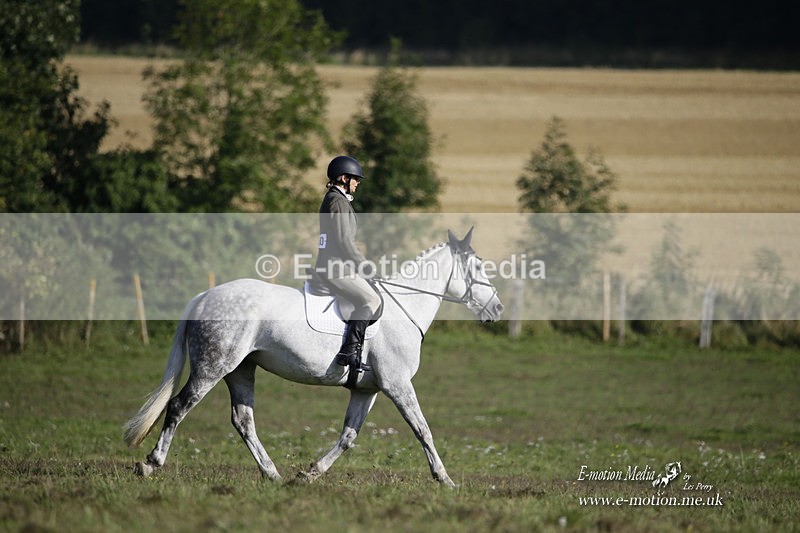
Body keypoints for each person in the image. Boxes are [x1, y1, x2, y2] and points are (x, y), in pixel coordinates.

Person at [315, 155, 382, 368]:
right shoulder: (337, 201)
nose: (358, 182)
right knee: (372, 300)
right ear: (344, 178)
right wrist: (364, 266)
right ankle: (349, 352)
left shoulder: (337, 199)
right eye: (355, 178)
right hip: (335, 267)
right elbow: (344, 240)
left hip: (338, 265)